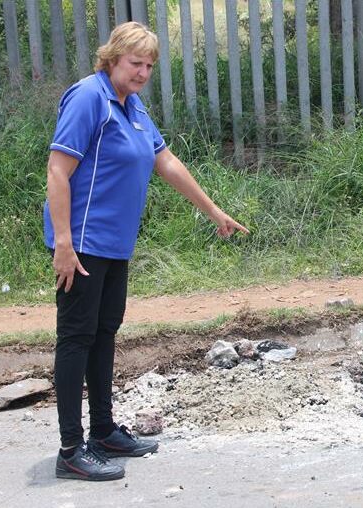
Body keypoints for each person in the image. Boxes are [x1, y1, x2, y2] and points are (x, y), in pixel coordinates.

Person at [44, 22, 249, 481]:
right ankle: (71, 449)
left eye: (150, 65)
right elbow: (58, 171)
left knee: (104, 333)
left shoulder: (131, 106)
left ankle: (102, 431)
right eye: (135, 63)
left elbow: (166, 162)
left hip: (115, 245)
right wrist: (62, 243)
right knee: (76, 338)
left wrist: (213, 211)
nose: (142, 72)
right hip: (82, 243)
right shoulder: (88, 98)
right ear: (112, 58)